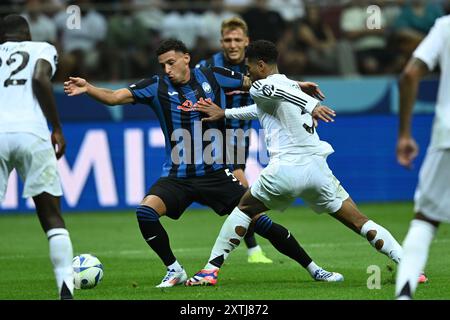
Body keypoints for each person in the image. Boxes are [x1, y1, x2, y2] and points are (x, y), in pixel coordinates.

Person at [64, 38, 343, 288]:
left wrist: (296, 85)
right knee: (145, 213)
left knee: (261, 223)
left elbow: (260, 82)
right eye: (163, 65)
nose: (167, 69)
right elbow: (115, 97)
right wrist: (88, 88)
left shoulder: (214, 76)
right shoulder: (155, 86)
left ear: (186, 58)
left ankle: (314, 269)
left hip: (216, 173)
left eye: (171, 62)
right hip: (177, 176)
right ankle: (174, 270)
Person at [186, 40, 424, 286]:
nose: (248, 73)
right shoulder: (290, 85)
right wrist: (225, 113)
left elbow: (271, 92)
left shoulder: (263, 86)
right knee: (359, 221)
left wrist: (312, 104)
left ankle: (210, 270)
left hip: (286, 170)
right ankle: (410, 267)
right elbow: (260, 110)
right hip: (317, 171)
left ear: (261, 65)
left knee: (244, 209)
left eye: (249, 68)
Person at [0, 15, 74, 300]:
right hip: (31, 133)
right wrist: (56, 126)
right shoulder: (41, 48)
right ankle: (65, 289)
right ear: (27, 34)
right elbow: (40, 78)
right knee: (50, 214)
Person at [196, 16, 273, 264]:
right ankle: (255, 249)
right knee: (243, 192)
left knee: (239, 195)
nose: (232, 44)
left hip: (241, 136)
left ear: (246, 41)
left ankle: (251, 248)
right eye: (227, 40)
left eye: (237, 39)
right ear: (221, 42)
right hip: (213, 136)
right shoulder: (207, 67)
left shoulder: (255, 67)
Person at [395, 15, 450, 300]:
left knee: (425, 220)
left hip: (447, 135)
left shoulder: (444, 26)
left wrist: (404, 134)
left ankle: (404, 295)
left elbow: (409, 75)